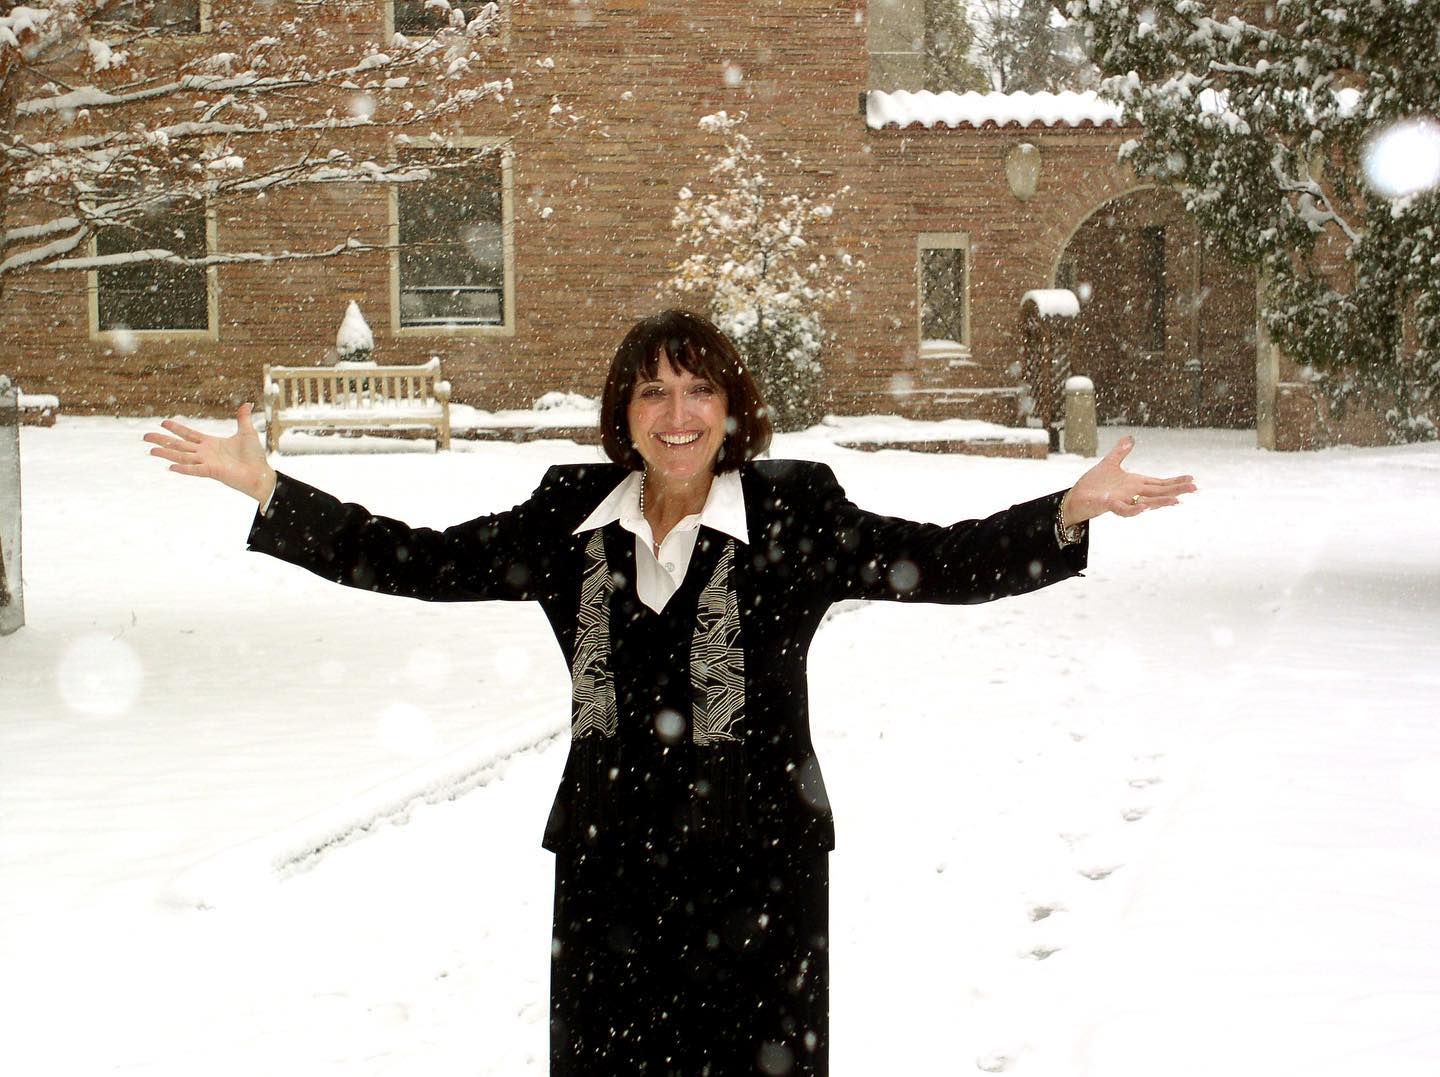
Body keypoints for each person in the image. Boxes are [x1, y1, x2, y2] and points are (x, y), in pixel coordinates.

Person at [145, 309, 1195, 1076]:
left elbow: (942, 559)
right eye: (654, 390)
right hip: (607, 870)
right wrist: (271, 491)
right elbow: (414, 558)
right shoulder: (570, 518)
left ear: (734, 409)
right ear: (624, 413)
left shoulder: (795, 514)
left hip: (762, 873)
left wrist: (1063, 512)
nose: (678, 413)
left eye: (700, 390)